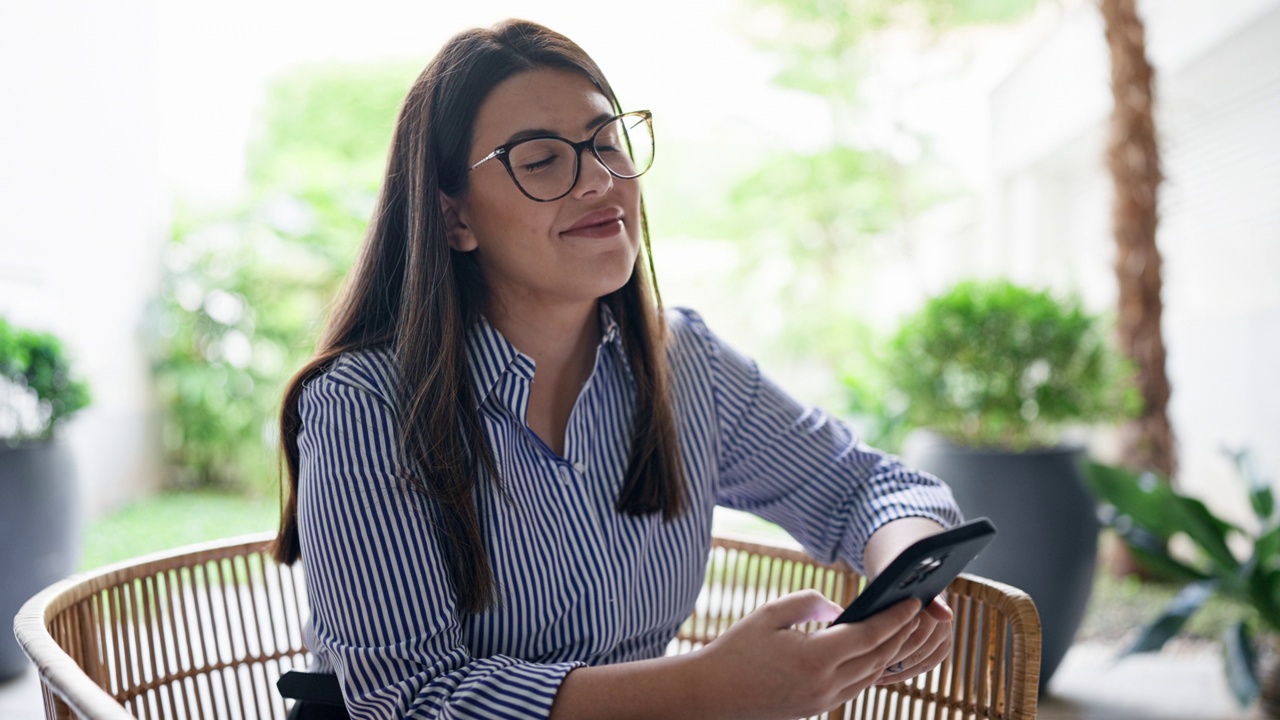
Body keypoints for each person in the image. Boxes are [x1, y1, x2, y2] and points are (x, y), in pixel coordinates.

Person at [271, 18, 963, 720]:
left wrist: (910, 581)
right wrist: (708, 690)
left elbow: (868, 487)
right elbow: (409, 699)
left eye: (607, 142)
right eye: (541, 160)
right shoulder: (363, 406)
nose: (601, 179)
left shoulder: (685, 363)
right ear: (454, 219)